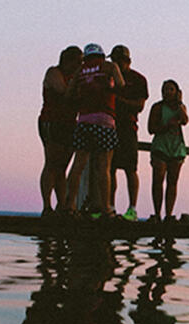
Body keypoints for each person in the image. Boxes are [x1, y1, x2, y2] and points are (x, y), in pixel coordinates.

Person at [62, 43, 125, 220]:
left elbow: (68, 95)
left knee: (78, 165)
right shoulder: (110, 67)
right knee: (104, 166)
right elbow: (121, 85)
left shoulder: (80, 71)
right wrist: (107, 88)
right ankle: (106, 209)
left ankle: (69, 206)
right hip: (105, 120)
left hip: (84, 121)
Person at [38, 46, 82, 217]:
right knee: (51, 162)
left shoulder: (75, 78)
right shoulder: (54, 73)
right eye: (78, 61)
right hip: (52, 121)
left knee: (62, 166)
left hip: (69, 123)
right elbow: (63, 92)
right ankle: (47, 206)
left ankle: (62, 206)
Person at [109, 45, 149, 222]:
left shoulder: (139, 79)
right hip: (109, 127)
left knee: (130, 169)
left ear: (128, 61)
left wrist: (118, 101)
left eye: (119, 60)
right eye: (114, 60)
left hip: (128, 128)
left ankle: (132, 208)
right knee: (109, 168)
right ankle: (109, 207)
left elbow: (139, 106)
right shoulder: (108, 77)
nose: (116, 64)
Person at [147, 79, 188, 223]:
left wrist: (179, 103)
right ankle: (157, 213)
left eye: (171, 89)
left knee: (173, 182)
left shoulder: (180, 107)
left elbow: (185, 120)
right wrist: (166, 126)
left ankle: (168, 215)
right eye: (165, 89)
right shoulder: (157, 107)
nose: (167, 92)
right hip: (160, 147)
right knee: (158, 180)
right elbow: (151, 129)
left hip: (176, 148)